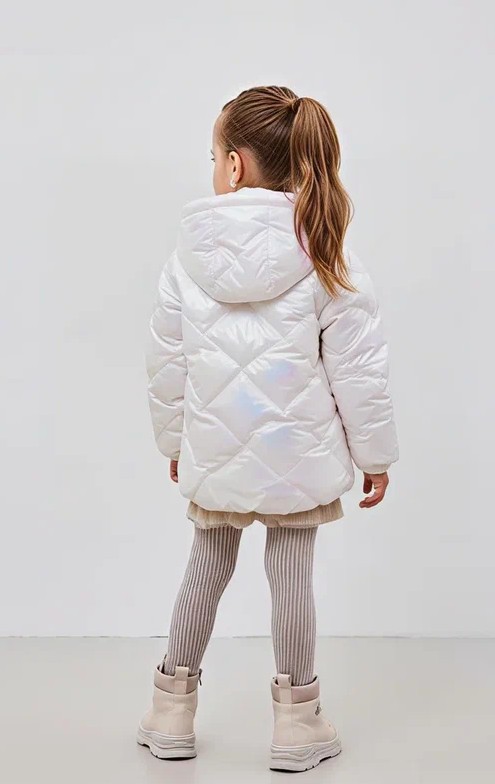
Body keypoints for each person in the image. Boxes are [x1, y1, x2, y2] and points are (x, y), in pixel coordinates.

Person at [137, 85, 399, 773]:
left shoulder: (186, 257)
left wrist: (174, 441)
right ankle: (297, 725)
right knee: (291, 575)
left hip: (217, 444)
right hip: (297, 449)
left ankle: (170, 712)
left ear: (233, 166)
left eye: (213, 155)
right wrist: (374, 454)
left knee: (207, 562)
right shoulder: (326, 250)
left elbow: (167, 362)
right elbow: (358, 369)